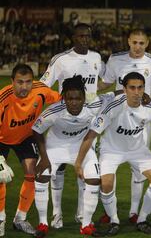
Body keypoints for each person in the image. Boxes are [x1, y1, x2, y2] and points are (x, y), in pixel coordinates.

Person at [75, 72, 151, 235]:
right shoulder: (113, 106)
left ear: (144, 89)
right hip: (112, 149)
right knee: (106, 184)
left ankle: (142, 219)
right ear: (124, 89)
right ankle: (114, 220)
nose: (136, 92)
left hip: (138, 150)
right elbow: (91, 134)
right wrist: (78, 163)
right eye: (132, 88)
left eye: (140, 88)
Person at [99, 29, 151, 223]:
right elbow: (105, 83)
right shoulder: (115, 60)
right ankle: (109, 213)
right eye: (134, 42)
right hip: (117, 117)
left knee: (139, 170)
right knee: (108, 168)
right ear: (128, 41)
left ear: (147, 43)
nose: (138, 46)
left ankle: (133, 212)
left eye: (141, 43)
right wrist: (85, 86)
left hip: (142, 119)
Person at [31, 76, 117, 237]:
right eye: (70, 98)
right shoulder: (54, 111)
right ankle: (43, 223)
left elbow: (115, 94)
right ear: (64, 98)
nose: (74, 102)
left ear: (85, 98)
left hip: (81, 147)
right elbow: (36, 130)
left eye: (78, 98)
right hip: (55, 147)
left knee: (93, 178)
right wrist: (44, 157)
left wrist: (143, 96)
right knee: (42, 176)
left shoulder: (94, 105)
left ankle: (86, 225)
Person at [40, 23, 105, 227]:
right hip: (64, 120)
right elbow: (43, 86)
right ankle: (57, 213)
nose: (84, 39)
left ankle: (80, 214)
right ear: (73, 38)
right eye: (80, 36)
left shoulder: (96, 58)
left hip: (87, 121)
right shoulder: (61, 60)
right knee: (57, 170)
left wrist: (98, 99)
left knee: (84, 170)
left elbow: (100, 82)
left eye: (87, 36)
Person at [0, 64, 61, 237]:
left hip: (26, 137)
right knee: (0, 176)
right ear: (12, 81)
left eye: (28, 82)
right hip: (1, 139)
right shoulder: (3, 98)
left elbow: (63, 100)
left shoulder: (41, 90)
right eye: (19, 82)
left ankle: (20, 219)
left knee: (33, 173)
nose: (24, 87)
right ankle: (0, 219)